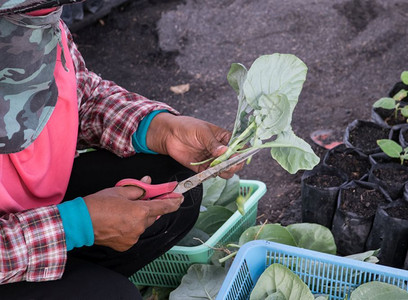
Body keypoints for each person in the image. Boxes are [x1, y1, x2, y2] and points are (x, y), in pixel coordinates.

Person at [0, 1, 242, 298]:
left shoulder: (32, 14)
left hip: (29, 217)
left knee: (172, 180)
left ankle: (61, 273)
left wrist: (158, 128)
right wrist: (74, 227)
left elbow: (78, 93)